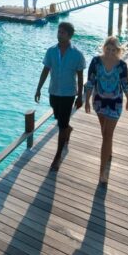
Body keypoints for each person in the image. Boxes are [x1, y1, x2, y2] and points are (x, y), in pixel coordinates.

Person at [35, 22, 86, 171]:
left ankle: (57, 156)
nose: (59, 34)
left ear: (69, 35)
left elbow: (80, 76)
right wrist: (38, 89)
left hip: (68, 94)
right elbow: (45, 70)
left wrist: (80, 96)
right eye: (59, 32)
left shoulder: (77, 54)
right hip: (54, 92)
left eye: (62, 32)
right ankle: (67, 129)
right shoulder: (51, 51)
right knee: (59, 118)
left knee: (61, 124)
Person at [84, 36, 128, 185]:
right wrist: (87, 100)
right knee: (104, 132)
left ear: (118, 50)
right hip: (99, 102)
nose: (110, 52)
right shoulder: (96, 61)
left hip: (115, 103)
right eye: (108, 49)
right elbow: (90, 81)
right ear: (104, 48)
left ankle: (102, 172)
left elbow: (125, 83)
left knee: (107, 134)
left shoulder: (122, 65)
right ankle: (108, 151)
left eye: (113, 50)